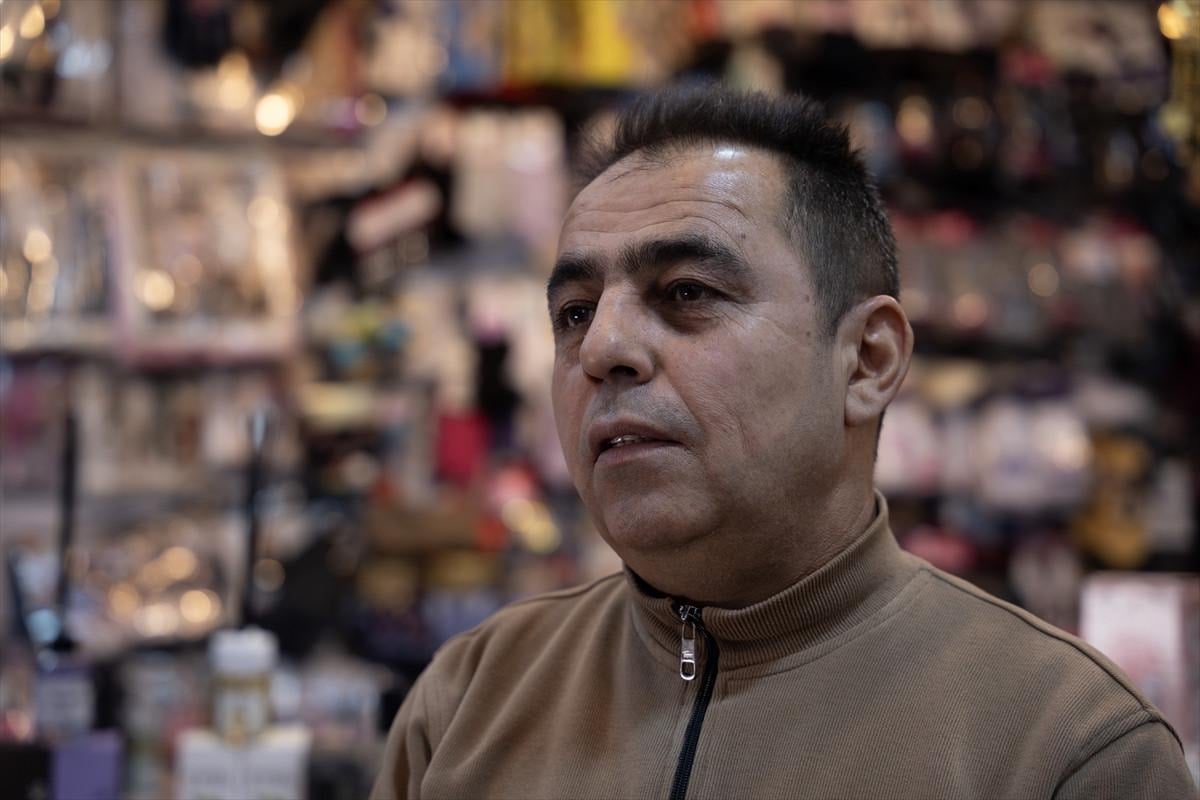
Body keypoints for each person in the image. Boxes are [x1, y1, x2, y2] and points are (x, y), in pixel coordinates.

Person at [372, 87, 1196, 800]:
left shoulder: (1067, 749)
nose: (602, 348)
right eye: (574, 312)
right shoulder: (468, 703)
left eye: (686, 292)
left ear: (867, 360)